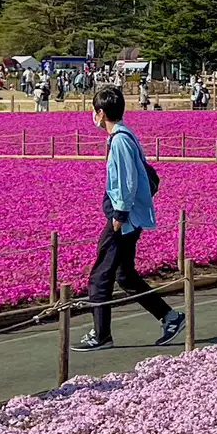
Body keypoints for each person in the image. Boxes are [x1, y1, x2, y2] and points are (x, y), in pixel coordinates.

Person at [77, 86, 184, 350]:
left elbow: (127, 179)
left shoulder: (121, 139)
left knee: (100, 275)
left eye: (94, 111)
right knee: (124, 275)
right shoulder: (124, 135)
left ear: (101, 113)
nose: (93, 116)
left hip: (124, 219)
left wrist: (120, 215)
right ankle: (170, 317)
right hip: (127, 217)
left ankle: (101, 334)